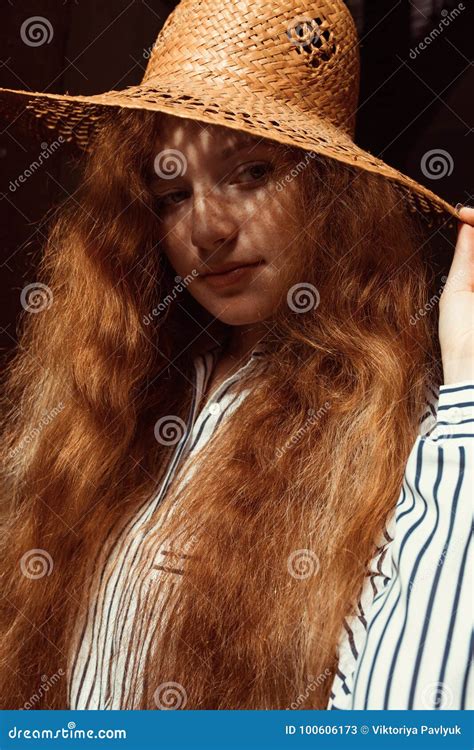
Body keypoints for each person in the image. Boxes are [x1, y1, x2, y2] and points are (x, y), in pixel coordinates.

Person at [0, 0, 472, 711]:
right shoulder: (110, 408)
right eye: (170, 194)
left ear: (330, 191)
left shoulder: (403, 443)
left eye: (252, 172)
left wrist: (468, 389)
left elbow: (408, 720)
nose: (207, 228)